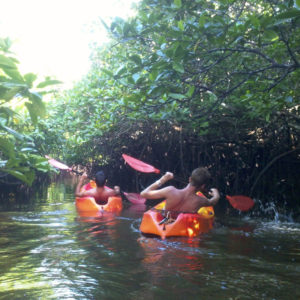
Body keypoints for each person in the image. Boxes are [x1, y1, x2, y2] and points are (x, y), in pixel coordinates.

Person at [140, 167, 220, 213]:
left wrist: (163, 179)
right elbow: (212, 202)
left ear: (189, 179)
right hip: (180, 232)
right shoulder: (200, 201)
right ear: (203, 186)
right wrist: (216, 194)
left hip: (164, 223)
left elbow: (143, 194)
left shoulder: (170, 191)